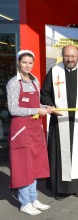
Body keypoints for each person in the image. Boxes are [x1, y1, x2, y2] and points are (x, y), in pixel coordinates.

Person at [40, 44, 78, 200]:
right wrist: (52, 106)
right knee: (60, 154)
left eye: (73, 56)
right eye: (67, 56)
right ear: (63, 56)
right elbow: (44, 94)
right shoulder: (55, 71)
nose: (70, 59)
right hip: (59, 119)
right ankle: (60, 189)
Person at [6, 50, 51, 216]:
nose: (27, 65)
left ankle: (33, 198)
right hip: (21, 129)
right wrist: (36, 109)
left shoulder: (34, 81)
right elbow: (13, 109)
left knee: (35, 163)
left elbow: (36, 102)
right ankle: (24, 202)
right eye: (24, 62)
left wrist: (44, 107)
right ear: (18, 62)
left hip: (34, 127)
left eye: (30, 63)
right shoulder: (13, 83)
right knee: (23, 165)